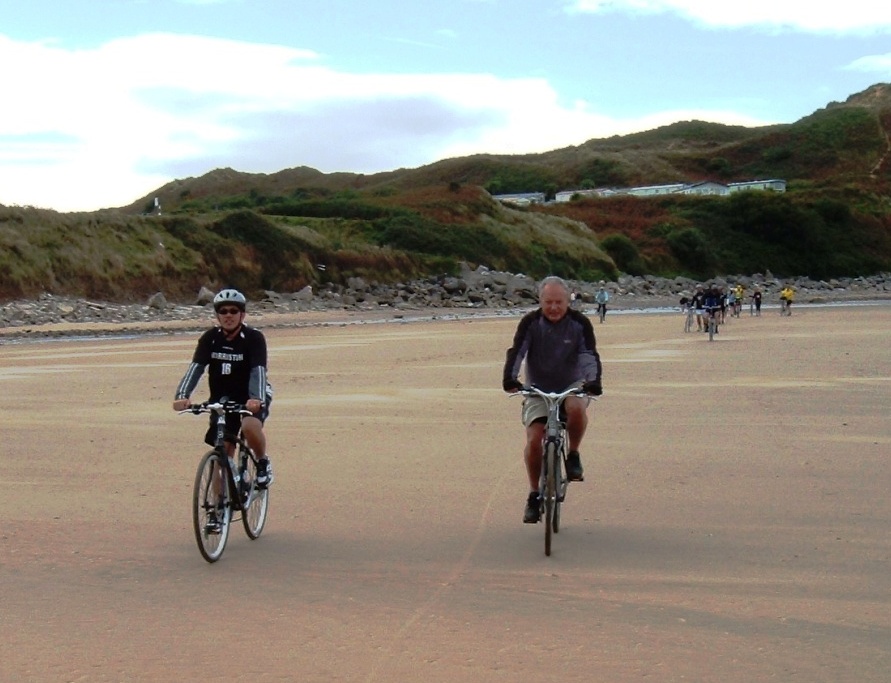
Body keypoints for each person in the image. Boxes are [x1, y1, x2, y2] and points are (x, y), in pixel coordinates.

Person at [502, 276, 603, 523]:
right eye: (548, 302)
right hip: (538, 387)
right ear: (540, 301)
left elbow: (588, 354)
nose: (554, 308)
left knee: (576, 408)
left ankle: (574, 454)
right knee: (535, 439)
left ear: (568, 301)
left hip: (571, 385)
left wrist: (593, 382)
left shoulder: (580, 323)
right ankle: (534, 495)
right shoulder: (530, 323)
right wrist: (510, 379)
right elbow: (518, 351)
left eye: (559, 302)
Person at [173, 289, 274, 522]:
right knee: (223, 453)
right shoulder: (210, 339)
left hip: (252, 395)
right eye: (223, 311)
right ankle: (217, 510)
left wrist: (255, 399)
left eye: (234, 311)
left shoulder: (254, 339)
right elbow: (196, 368)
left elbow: (258, 370)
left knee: (249, 426)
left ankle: (261, 464)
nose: (228, 315)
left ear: (243, 314)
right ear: (217, 315)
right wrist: (182, 395)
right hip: (222, 399)